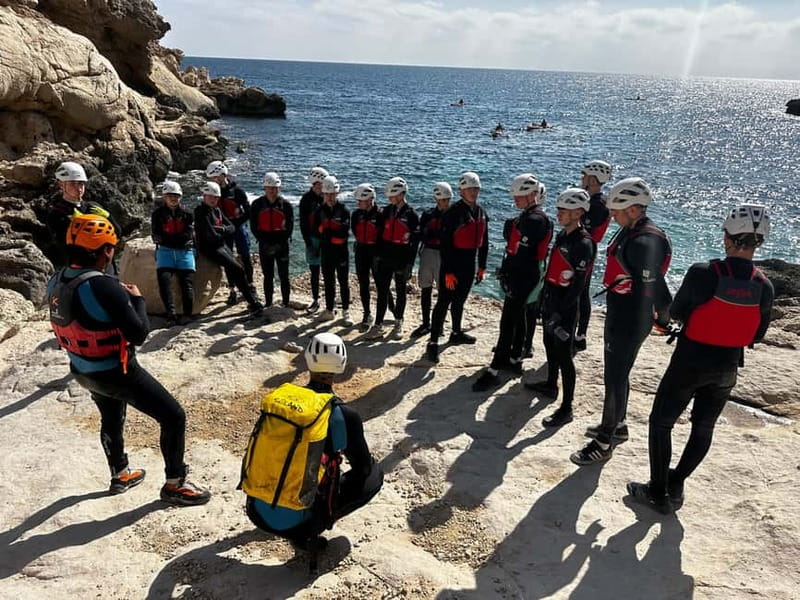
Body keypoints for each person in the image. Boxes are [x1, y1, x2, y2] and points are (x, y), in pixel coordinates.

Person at [46, 213, 211, 505]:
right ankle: (175, 485)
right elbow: (138, 334)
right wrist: (138, 300)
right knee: (173, 416)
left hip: (82, 370)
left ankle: (120, 474)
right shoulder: (103, 285)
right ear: (105, 250)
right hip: (116, 371)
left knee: (111, 417)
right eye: (112, 247)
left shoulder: (56, 280)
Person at [628, 204, 773, 514]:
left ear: (728, 238)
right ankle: (677, 482)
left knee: (661, 422)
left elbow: (677, 312)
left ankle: (657, 492)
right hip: (727, 367)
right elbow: (758, 334)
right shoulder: (764, 285)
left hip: (690, 361)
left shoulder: (704, 272)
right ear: (759, 243)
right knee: (703, 427)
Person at [242, 332, 383, 550]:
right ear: (341, 364)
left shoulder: (281, 400)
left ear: (308, 360)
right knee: (373, 475)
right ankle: (306, 533)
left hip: (255, 511)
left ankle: (279, 510)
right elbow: (363, 468)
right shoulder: (343, 414)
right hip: (299, 525)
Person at [571, 177, 672, 466]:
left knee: (615, 377)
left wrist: (664, 318)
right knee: (618, 373)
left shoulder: (643, 241)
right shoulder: (633, 230)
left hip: (630, 317)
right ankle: (619, 424)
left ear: (633, 209)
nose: (612, 215)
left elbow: (658, 288)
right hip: (622, 309)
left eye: (616, 211)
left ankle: (603, 442)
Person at [472, 174, 552, 391]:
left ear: (533, 195)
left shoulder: (534, 220)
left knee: (508, 321)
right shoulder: (530, 217)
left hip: (524, 274)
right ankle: (515, 358)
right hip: (524, 273)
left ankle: (494, 370)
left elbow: (522, 253)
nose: (516, 199)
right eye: (515, 195)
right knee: (518, 316)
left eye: (520, 195)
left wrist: (507, 273)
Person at [527, 189, 596, 426]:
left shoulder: (584, 243)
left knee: (565, 355)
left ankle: (567, 408)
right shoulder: (563, 235)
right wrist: (541, 297)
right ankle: (550, 384)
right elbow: (552, 269)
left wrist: (560, 312)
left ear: (577, 213)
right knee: (548, 343)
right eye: (558, 210)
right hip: (551, 297)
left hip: (566, 306)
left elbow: (578, 285)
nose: (558, 214)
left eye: (563, 211)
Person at [427, 172, 489, 362]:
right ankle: (433, 342)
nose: (473, 192)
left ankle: (456, 332)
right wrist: (448, 271)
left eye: (476, 188)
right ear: (461, 191)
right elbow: (445, 245)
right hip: (452, 266)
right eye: (469, 189)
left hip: (469, 264)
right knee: (443, 302)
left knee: (460, 301)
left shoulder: (481, 212)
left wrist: (482, 266)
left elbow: (484, 242)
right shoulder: (452, 213)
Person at [194, 182, 263, 317]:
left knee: (237, 268)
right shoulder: (200, 211)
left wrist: (221, 230)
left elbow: (232, 227)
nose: (213, 200)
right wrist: (224, 230)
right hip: (210, 248)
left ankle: (248, 300)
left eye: (216, 197)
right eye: (210, 196)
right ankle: (252, 303)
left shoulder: (217, 211)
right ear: (204, 196)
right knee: (237, 269)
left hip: (220, 245)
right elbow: (212, 235)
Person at [366, 177, 420, 340]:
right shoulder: (386, 211)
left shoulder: (412, 215)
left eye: (392, 196)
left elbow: (415, 242)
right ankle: (378, 325)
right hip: (385, 257)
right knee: (382, 291)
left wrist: (410, 264)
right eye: (389, 196)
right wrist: (376, 256)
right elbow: (379, 235)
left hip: (402, 258)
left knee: (401, 290)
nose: (390, 198)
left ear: (401, 194)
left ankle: (398, 322)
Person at [46, 161, 121, 270]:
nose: (79, 188)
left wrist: (108, 217)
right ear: (61, 184)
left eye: (81, 183)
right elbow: (63, 245)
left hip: (105, 263)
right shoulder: (57, 213)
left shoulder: (93, 206)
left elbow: (117, 232)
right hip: (79, 267)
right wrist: (75, 225)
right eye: (73, 184)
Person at [575, 160, 613, 352]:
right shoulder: (598, 202)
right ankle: (579, 333)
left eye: (584, 176)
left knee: (580, 292)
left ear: (592, 179)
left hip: (584, 251)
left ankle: (579, 333)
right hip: (587, 249)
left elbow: (585, 230)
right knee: (581, 291)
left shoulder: (597, 205)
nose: (582, 179)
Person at [206, 161, 256, 305]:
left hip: (238, 228)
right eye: (212, 178)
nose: (214, 180)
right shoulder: (213, 193)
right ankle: (232, 290)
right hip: (223, 231)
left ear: (223, 175)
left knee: (245, 256)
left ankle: (250, 285)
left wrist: (236, 224)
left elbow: (248, 211)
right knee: (228, 260)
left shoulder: (237, 191)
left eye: (216, 177)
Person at [150, 181, 195, 325]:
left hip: (184, 251)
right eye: (170, 196)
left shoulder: (187, 213)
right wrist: (175, 241)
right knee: (164, 281)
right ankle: (171, 315)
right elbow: (156, 235)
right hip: (165, 251)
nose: (173, 198)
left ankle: (187, 314)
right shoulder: (157, 214)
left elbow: (188, 234)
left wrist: (169, 240)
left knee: (187, 283)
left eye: (176, 196)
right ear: (164, 197)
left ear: (180, 197)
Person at [411, 182, 452, 338]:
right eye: (441, 200)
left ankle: (439, 325)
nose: (443, 203)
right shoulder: (428, 214)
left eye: (446, 200)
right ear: (435, 199)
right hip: (428, 252)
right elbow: (420, 234)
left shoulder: (454, 216)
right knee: (425, 288)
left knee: (443, 292)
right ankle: (426, 323)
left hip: (444, 255)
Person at [250, 171, 294, 308]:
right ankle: (268, 302)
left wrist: (279, 243)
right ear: (264, 188)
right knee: (268, 275)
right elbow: (253, 226)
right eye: (269, 187)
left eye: (275, 187)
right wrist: (263, 241)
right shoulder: (257, 204)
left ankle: (285, 302)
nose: (272, 190)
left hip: (282, 245)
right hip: (264, 244)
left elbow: (290, 227)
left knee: (284, 275)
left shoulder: (286, 205)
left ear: (279, 188)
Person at [313, 175, 352, 324]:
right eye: (327, 194)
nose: (330, 197)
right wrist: (331, 233)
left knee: (343, 282)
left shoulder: (344, 210)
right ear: (323, 193)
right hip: (326, 252)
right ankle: (329, 310)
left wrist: (327, 232)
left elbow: (344, 232)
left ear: (337, 193)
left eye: (333, 194)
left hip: (341, 253)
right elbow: (316, 231)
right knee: (329, 282)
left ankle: (346, 311)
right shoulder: (319, 211)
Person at [522, 180, 549, 359]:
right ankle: (524, 343)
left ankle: (527, 344)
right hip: (537, 266)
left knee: (529, 308)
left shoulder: (537, 219)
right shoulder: (539, 218)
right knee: (529, 307)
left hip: (533, 267)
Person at [351, 183, 381, 331]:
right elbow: (354, 230)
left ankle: (391, 310)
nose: (358, 203)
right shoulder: (356, 215)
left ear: (370, 200)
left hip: (376, 252)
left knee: (381, 284)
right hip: (361, 251)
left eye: (360, 201)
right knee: (363, 284)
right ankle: (367, 313)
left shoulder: (380, 215)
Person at [299, 167, 329, 312]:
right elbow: (303, 224)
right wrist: (309, 244)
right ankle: (316, 300)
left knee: (329, 272)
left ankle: (330, 303)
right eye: (321, 184)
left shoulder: (328, 197)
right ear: (315, 183)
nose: (322, 187)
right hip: (313, 239)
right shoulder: (306, 199)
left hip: (327, 241)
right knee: (315, 272)